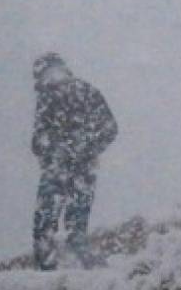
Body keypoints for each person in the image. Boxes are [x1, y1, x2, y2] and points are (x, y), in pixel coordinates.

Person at [31, 53, 118, 270]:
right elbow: (110, 128)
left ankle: (50, 270)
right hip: (80, 168)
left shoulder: (48, 96)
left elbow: (38, 139)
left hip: (60, 168)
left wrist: (55, 150)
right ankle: (83, 267)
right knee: (74, 226)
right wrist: (87, 147)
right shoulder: (85, 91)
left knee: (47, 226)